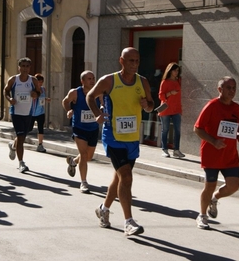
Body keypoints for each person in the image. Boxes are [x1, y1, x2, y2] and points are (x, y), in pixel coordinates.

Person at [86, 47, 154, 236]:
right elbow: (90, 96)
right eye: (130, 61)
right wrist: (97, 114)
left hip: (132, 138)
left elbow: (151, 105)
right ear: (121, 61)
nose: (134, 64)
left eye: (137, 61)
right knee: (126, 177)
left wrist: (146, 105)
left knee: (119, 178)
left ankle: (103, 209)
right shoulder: (109, 80)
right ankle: (129, 222)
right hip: (113, 136)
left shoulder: (143, 82)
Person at [193, 76, 239, 229]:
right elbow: (197, 129)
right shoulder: (211, 106)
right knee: (209, 186)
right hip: (211, 154)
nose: (232, 91)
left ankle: (215, 199)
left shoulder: (236, 107)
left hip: (229, 154)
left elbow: (235, 126)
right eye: (228, 88)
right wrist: (214, 141)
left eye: (234, 88)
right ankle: (202, 215)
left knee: (234, 185)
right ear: (220, 89)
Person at [62, 70, 100, 194]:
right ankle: (83, 182)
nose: (92, 80)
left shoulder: (98, 92)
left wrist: (102, 109)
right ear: (82, 81)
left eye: (93, 78)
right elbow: (65, 101)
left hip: (93, 128)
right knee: (83, 155)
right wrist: (69, 110)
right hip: (79, 128)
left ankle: (73, 161)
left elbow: (103, 104)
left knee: (88, 156)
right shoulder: (75, 93)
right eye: (89, 79)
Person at [5, 57, 40, 173]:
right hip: (16, 113)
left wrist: (35, 94)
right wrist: (10, 99)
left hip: (29, 113)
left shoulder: (33, 80)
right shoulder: (13, 80)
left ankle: (13, 146)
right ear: (19, 67)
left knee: (22, 137)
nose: (25, 69)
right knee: (20, 138)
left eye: (27, 66)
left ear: (30, 68)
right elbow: (6, 91)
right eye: (23, 66)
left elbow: (39, 92)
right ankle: (21, 163)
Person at [158, 62, 185, 158]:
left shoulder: (179, 81)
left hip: (176, 109)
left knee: (177, 130)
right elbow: (161, 96)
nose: (176, 72)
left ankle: (176, 150)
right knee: (165, 130)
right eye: (174, 70)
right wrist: (170, 93)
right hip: (166, 109)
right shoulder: (165, 82)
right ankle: (164, 149)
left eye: (178, 70)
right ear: (170, 71)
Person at [29, 73, 51, 153]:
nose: (40, 83)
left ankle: (40, 144)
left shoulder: (43, 89)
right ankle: (19, 139)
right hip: (32, 112)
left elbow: (42, 98)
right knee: (29, 129)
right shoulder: (32, 89)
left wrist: (46, 99)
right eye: (39, 81)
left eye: (41, 82)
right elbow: (31, 98)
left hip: (41, 112)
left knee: (41, 129)